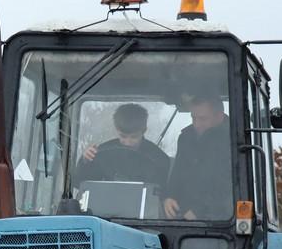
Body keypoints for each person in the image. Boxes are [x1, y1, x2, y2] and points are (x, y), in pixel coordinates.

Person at [162, 91, 233, 220]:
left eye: (203, 119)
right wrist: (169, 196)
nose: (196, 124)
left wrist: (199, 210)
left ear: (219, 116)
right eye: (193, 118)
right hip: (184, 215)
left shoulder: (234, 139)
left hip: (221, 220)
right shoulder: (186, 137)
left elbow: (230, 184)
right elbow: (177, 172)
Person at [74, 103, 170, 190]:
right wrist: (85, 161)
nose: (128, 142)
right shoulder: (103, 152)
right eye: (123, 136)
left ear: (144, 130)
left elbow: (163, 193)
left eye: (134, 137)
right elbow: (80, 184)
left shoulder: (159, 158)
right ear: (116, 129)